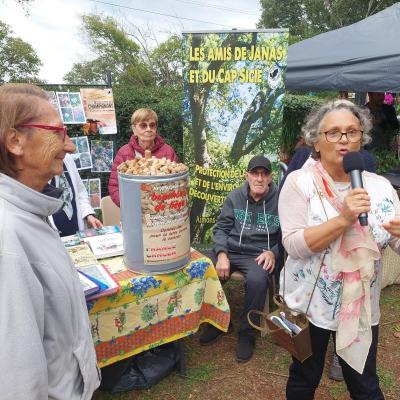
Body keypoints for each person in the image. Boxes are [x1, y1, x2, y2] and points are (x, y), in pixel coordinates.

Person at [279, 100, 400, 399]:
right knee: (303, 380)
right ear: (316, 142)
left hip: (360, 309)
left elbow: (395, 241)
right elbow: (294, 244)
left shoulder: (381, 187)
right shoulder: (299, 183)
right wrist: (344, 219)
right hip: (308, 308)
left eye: (351, 132)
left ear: (362, 138)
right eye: (333, 132)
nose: (343, 139)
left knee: (364, 385)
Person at [0, 83, 100, 399]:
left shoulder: (34, 212)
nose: (70, 147)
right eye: (57, 132)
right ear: (15, 141)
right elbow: (17, 379)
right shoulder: (8, 236)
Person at [199, 155, 280, 362]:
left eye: (264, 174)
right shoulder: (234, 197)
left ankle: (247, 333)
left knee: (256, 281)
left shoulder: (281, 199)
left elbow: (289, 235)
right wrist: (222, 254)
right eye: (255, 173)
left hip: (259, 254)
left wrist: (273, 252)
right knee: (205, 268)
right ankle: (219, 322)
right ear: (247, 176)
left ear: (270, 177)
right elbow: (221, 229)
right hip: (233, 250)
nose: (259, 178)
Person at [108, 108, 179, 206]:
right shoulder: (124, 152)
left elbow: (178, 183)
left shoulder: (167, 151)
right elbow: (114, 186)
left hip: (162, 211)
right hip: (134, 211)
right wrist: (128, 205)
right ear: (134, 129)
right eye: (143, 125)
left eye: (152, 125)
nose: (149, 129)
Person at [48, 153, 103, 236]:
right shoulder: (35, 165)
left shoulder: (67, 158)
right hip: (52, 234)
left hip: (76, 230)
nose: (72, 148)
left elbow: (80, 191)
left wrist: (88, 215)